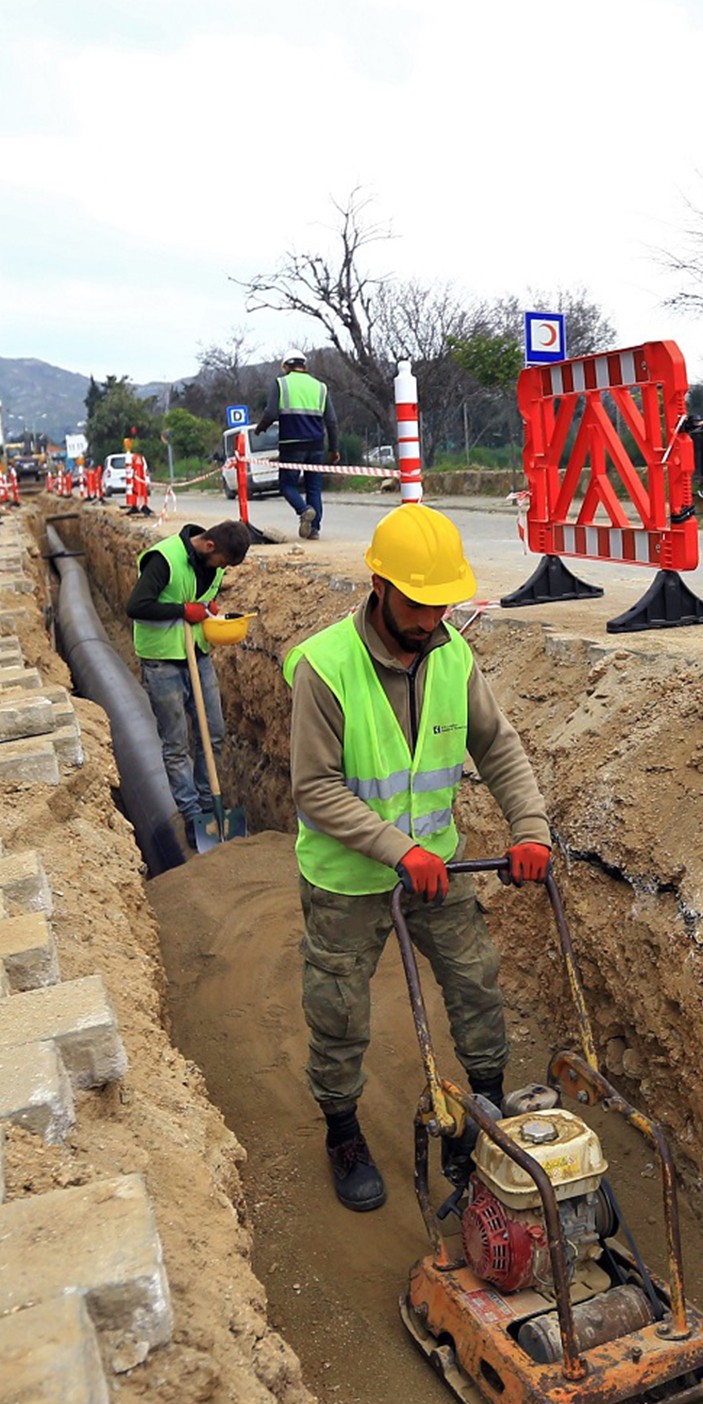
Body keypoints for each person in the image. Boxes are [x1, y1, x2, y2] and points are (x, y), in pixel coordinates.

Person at [283, 503, 550, 1213]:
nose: (430, 621)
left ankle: (488, 1109)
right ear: (378, 584)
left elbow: (496, 745)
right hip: (347, 879)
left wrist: (530, 828)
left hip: (437, 866)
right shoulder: (324, 668)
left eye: (441, 606)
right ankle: (342, 1129)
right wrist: (393, 848)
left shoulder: (451, 654)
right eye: (416, 604)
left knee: (475, 980)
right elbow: (314, 787)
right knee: (338, 1008)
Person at [125, 519, 254, 852]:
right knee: (177, 742)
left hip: (198, 656)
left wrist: (208, 609)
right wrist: (183, 610)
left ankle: (210, 807)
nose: (223, 569)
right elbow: (136, 606)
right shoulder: (164, 559)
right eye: (223, 562)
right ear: (209, 546)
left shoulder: (214, 565)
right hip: (162, 662)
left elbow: (202, 598)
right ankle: (191, 814)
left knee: (214, 733)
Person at [258, 352, 335, 542]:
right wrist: (334, 448)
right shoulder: (320, 387)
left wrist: (261, 429)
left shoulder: (281, 383)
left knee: (287, 485)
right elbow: (332, 421)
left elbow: (270, 413)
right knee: (314, 488)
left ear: (285, 367)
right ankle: (314, 529)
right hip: (317, 445)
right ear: (305, 366)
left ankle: (304, 510)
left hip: (291, 445)